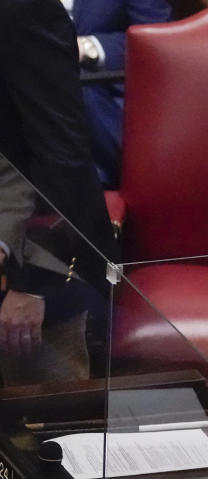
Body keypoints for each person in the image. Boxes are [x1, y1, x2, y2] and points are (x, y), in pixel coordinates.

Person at [0, 0, 119, 384]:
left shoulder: (23, 8)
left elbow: (60, 153)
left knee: (44, 433)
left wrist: (32, 286)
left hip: (41, 259)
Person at [68, 0, 173, 187]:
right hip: (23, 79)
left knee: (75, 84)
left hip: (102, 90)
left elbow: (161, 41)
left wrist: (88, 47)